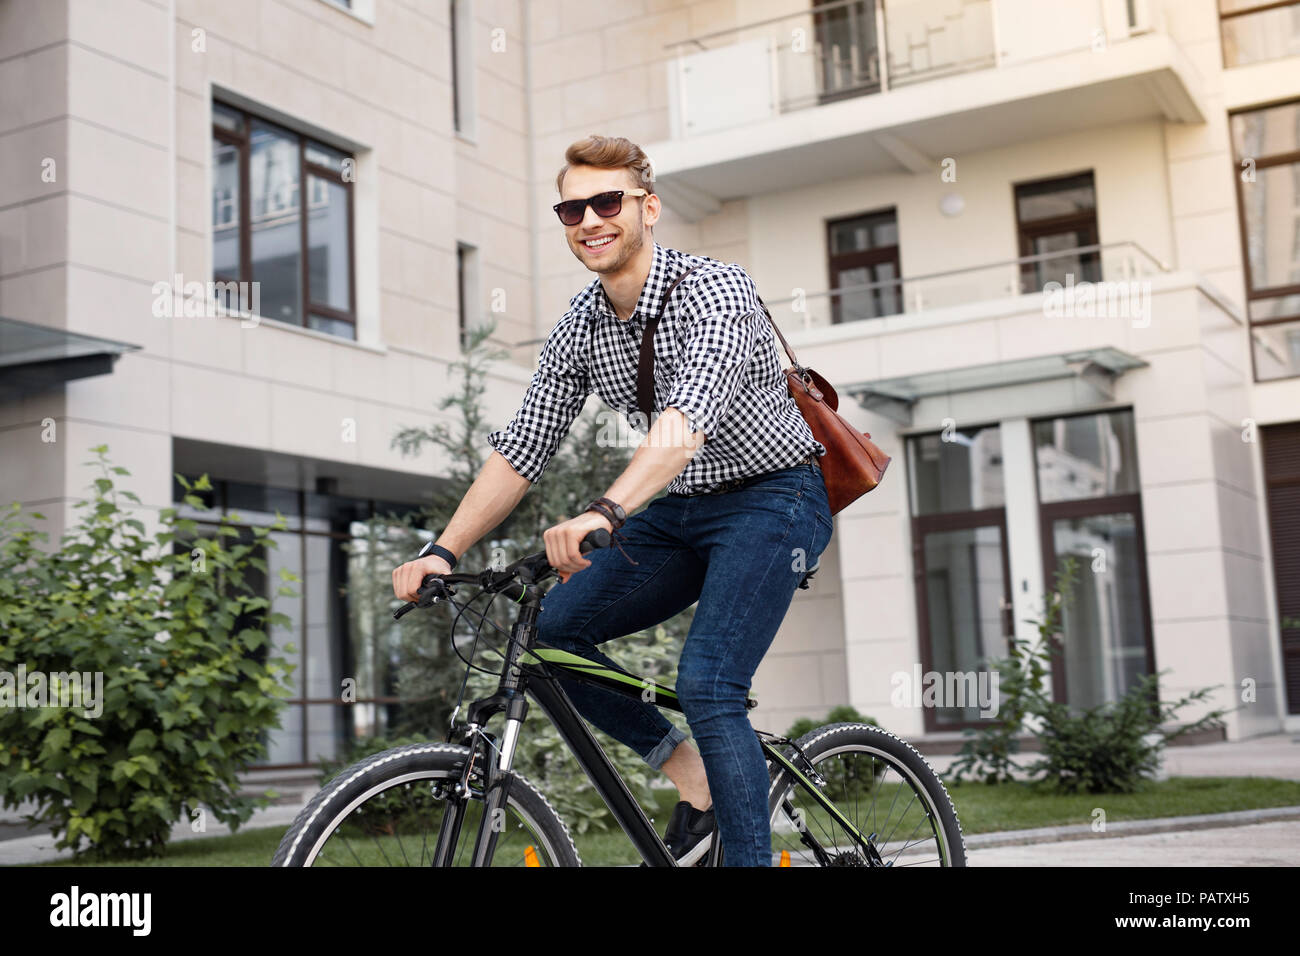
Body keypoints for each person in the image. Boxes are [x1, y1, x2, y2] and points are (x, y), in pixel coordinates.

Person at [392, 134, 833, 866]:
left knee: (709, 681)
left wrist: (605, 510)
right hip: (678, 512)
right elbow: (522, 445)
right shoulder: (581, 325)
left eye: (607, 201)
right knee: (550, 635)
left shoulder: (716, 289)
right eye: (572, 208)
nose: (589, 220)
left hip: (775, 499)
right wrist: (444, 548)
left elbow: (686, 420)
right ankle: (697, 781)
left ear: (648, 208)